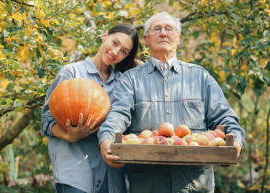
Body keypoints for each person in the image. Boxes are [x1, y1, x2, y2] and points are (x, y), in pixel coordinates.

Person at [98, 12, 245, 193]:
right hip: (147, 185)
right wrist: (105, 139)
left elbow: (225, 117)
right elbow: (118, 115)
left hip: (194, 185)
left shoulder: (200, 77)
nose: (163, 33)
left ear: (179, 38)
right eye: (156, 29)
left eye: (169, 29)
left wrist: (236, 141)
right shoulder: (130, 80)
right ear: (145, 39)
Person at [41, 23, 139, 193]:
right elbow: (47, 118)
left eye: (124, 51)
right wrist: (68, 135)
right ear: (105, 36)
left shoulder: (122, 83)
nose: (115, 52)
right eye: (115, 43)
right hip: (75, 171)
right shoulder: (71, 73)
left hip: (110, 172)